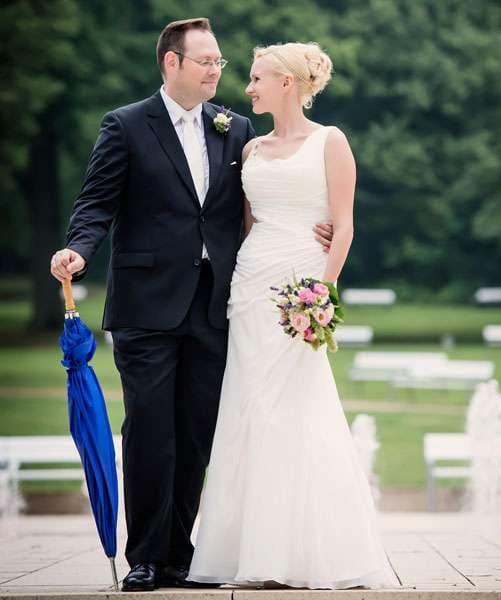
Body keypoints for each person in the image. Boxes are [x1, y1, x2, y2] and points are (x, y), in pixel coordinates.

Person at [49, 20, 332, 592]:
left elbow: (256, 207)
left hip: (217, 306)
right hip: (146, 306)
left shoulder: (235, 128)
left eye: (220, 62)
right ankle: (146, 557)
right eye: (206, 61)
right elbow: (96, 202)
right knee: (151, 430)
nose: (216, 71)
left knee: (197, 432)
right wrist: (78, 249)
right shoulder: (126, 125)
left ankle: (182, 556)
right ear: (171, 63)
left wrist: (313, 230)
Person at [186, 42, 399, 589]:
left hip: (302, 287)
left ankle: (307, 553)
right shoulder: (251, 149)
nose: (248, 87)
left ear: (287, 83)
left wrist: (324, 292)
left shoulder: (331, 141)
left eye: (256, 78)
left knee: (298, 408)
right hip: (251, 287)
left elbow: (344, 224)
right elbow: (247, 226)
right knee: (249, 408)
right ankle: (245, 553)